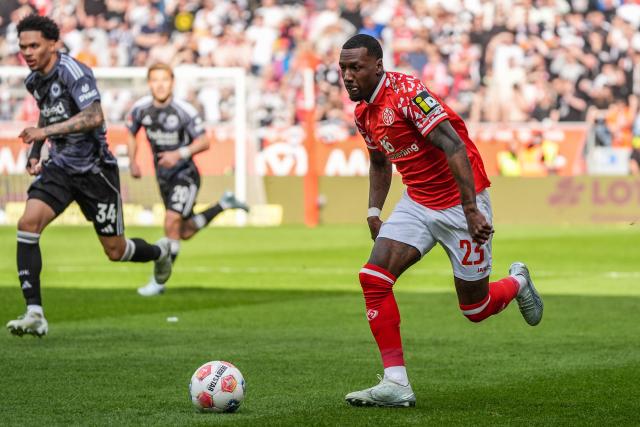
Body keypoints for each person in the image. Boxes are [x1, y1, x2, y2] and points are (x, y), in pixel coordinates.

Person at [338, 34, 543, 407]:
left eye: (356, 67)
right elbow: (380, 162)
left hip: (461, 202)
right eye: (344, 68)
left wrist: (470, 209)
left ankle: (518, 282)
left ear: (378, 66)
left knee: (475, 309)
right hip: (417, 202)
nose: (348, 76)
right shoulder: (363, 112)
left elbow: (453, 145)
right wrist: (373, 211)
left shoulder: (407, 94)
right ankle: (396, 384)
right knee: (374, 278)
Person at [6, 14, 172, 338]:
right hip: (60, 168)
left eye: (34, 45)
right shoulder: (34, 80)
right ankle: (34, 312)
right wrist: (36, 151)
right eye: (23, 46)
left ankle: (160, 252)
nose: (27, 52)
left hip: (95, 170)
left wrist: (45, 131)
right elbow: (47, 111)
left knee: (116, 251)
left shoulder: (74, 71)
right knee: (27, 224)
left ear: (52, 44)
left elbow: (94, 116)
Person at [126, 63, 248, 297]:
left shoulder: (184, 110)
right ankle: (224, 204)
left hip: (185, 174)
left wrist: (178, 154)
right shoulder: (140, 108)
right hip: (163, 177)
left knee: (171, 221)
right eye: (155, 80)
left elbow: (204, 141)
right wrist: (132, 161)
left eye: (165, 80)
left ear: (172, 82)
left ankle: (158, 281)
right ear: (149, 83)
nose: (160, 85)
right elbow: (131, 132)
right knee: (184, 231)